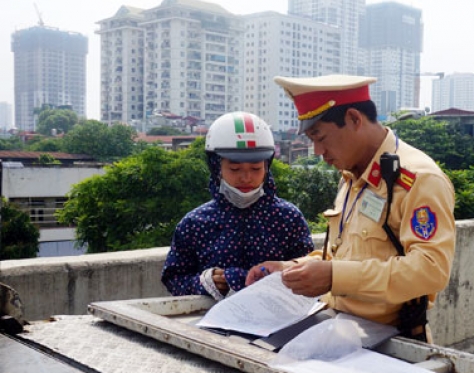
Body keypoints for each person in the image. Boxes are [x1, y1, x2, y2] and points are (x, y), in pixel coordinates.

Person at [245, 75, 456, 341]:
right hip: (339, 328)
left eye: (320, 137)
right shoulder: (352, 175)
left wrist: (335, 277)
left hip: (393, 343)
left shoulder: (418, 179)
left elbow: (431, 270)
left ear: (355, 119)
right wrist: (291, 268)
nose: (318, 150)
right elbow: (345, 254)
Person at [162, 111, 314, 299]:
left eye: (256, 169)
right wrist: (206, 282)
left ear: (267, 167)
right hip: (209, 325)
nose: (246, 177)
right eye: (234, 169)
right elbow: (173, 278)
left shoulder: (288, 218)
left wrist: (263, 276)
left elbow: (309, 271)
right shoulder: (194, 223)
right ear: (217, 168)